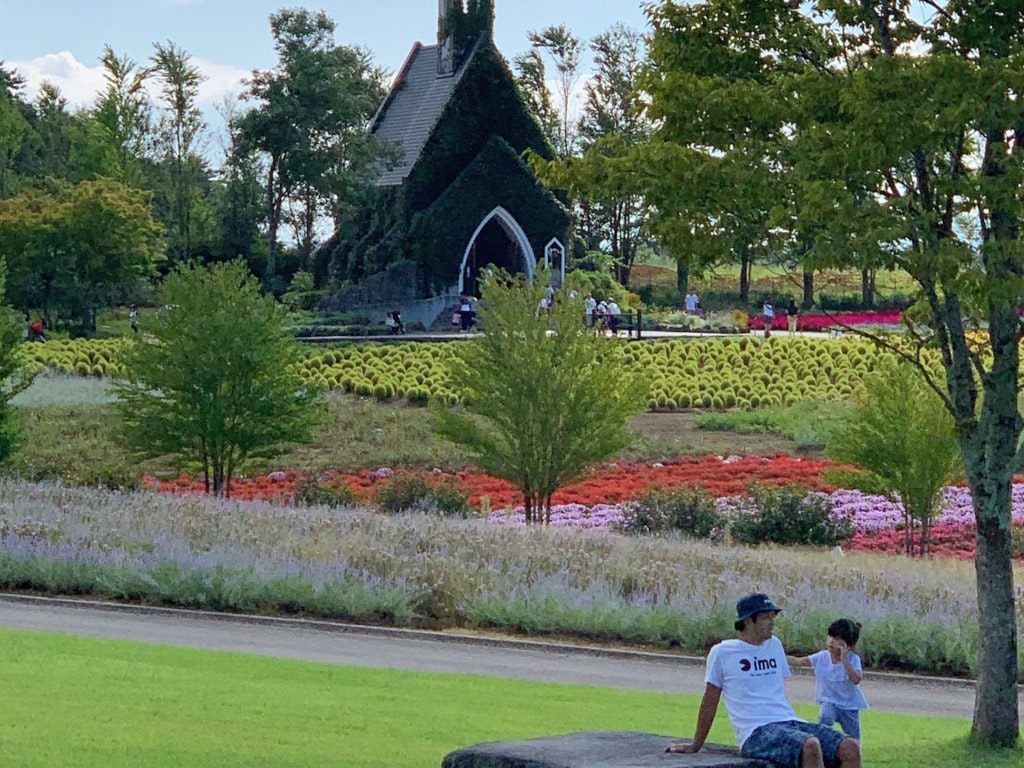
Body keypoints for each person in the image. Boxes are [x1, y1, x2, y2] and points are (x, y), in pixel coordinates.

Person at [666, 593, 861, 768]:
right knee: (810, 746)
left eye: (773, 617)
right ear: (748, 622)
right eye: (765, 618)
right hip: (755, 732)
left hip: (788, 721)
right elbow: (710, 699)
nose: (772, 622)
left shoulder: (774, 645)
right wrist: (696, 744)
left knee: (850, 747)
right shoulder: (722, 652)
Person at [788, 619, 868, 741]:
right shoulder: (822, 656)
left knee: (853, 738)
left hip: (849, 706)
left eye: (836, 639)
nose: (831, 641)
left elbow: (856, 679)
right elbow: (799, 661)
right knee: (825, 717)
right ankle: (823, 744)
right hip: (829, 700)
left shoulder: (853, 659)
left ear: (848, 645)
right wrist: (777, 656)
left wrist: (844, 659)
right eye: (830, 636)